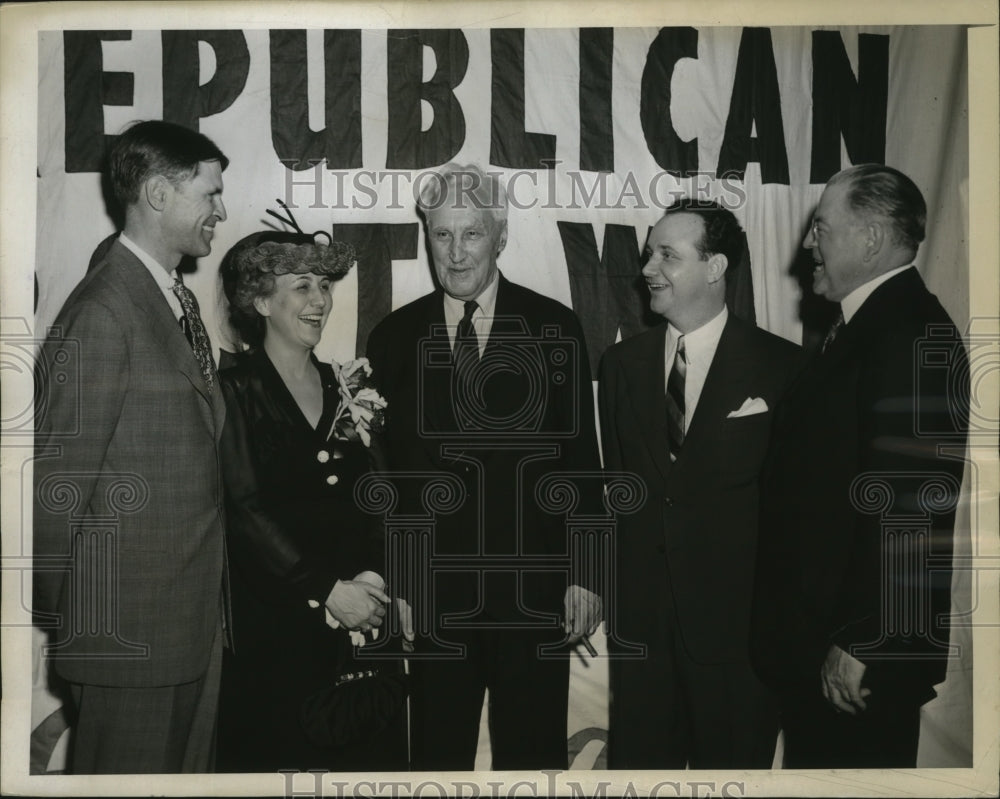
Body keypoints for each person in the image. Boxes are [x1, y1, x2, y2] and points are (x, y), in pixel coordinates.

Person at [366, 163, 603, 770]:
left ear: (500, 236)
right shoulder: (393, 338)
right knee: (437, 762)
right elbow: (389, 479)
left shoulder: (555, 326)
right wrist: (405, 579)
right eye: (441, 235)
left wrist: (587, 572)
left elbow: (580, 461)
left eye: (471, 234)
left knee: (532, 760)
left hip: (535, 593)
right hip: (436, 600)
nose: (455, 251)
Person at [751, 164, 970, 767]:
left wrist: (866, 637)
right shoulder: (866, 325)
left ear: (871, 239)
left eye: (821, 227)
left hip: (857, 654)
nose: (806, 244)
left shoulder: (909, 331)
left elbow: (914, 504)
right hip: (827, 644)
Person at [33, 120, 230, 773]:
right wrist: (79, 624)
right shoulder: (103, 309)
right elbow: (54, 488)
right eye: (209, 193)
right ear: (157, 194)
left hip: (187, 631)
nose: (220, 210)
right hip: (127, 641)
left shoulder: (168, 297)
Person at [597, 199, 803, 768]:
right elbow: (618, 495)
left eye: (668, 254)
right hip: (641, 642)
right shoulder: (620, 366)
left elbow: (795, 516)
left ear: (715, 268)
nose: (647, 269)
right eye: (648, 254)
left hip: (739, 645)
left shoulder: (783, 368)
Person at [214, 230, 407, 772]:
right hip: (276, 639)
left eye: (323, 285)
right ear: (260, 300)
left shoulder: (347, 386)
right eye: (301, 287)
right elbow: (244, 512)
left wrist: (373, 577)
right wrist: (327, 591)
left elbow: (379, 496)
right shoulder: (233, 392)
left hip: (363, 628)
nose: (319, 300)